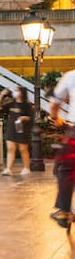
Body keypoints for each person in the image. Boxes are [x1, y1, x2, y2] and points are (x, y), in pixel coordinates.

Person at [50, 70, 75, 228]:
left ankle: (64, 210)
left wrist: (55, 117)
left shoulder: (72, 76)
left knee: (66, 168)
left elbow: (54, 103)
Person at [0, 87, 33, 175]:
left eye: (17, 90)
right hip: (11, 128)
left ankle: (26, 168)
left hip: (22, 129)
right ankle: (8, 168)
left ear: (22, 93)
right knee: (10, 148)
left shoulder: (26, 105)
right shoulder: (11, 104)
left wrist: (24, 118)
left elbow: (31, 117)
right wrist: (1, 95)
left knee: (23, 149)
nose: (15, 92)